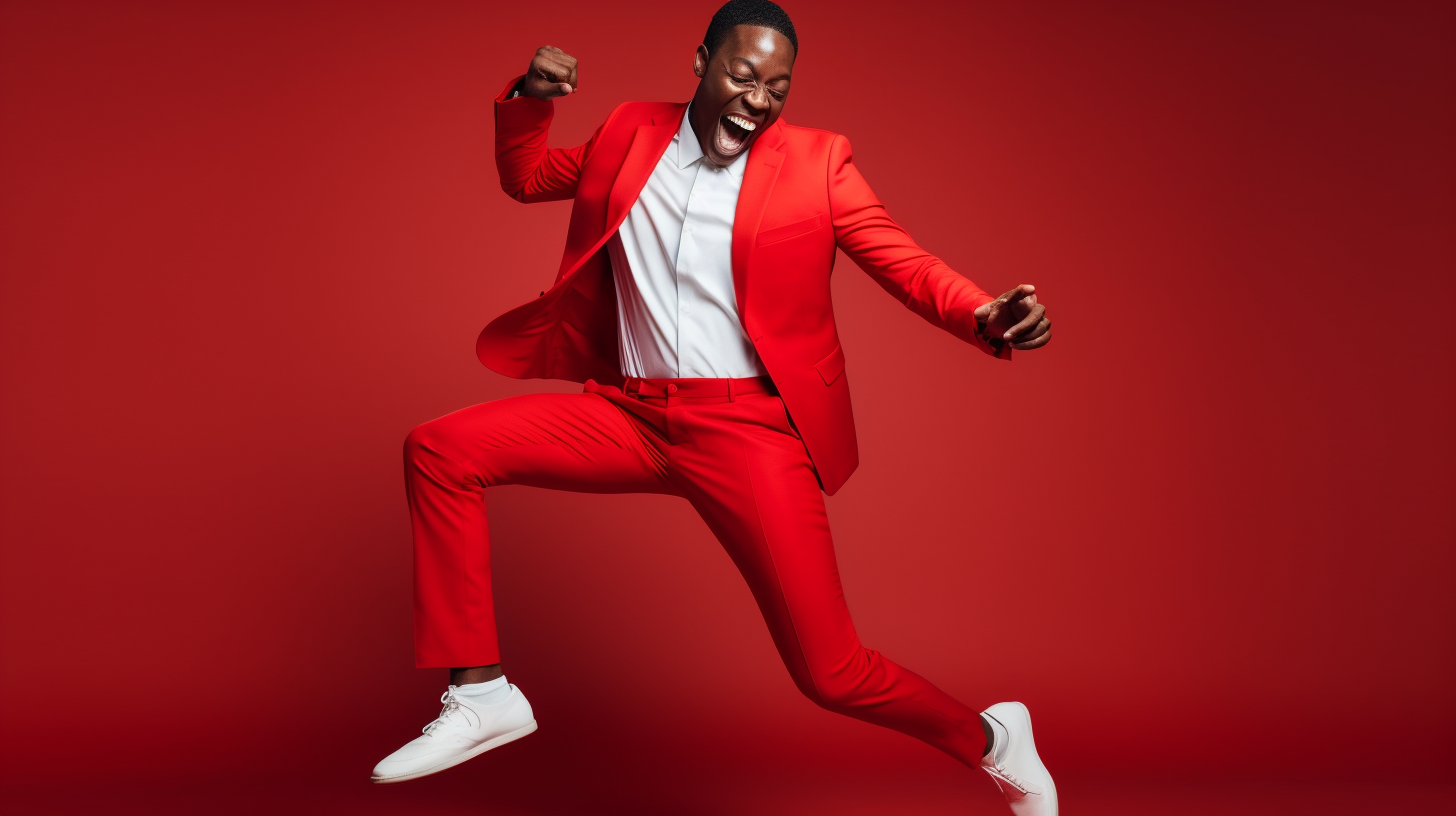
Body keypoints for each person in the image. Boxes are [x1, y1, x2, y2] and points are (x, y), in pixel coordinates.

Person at [371, 1, 1056, 812]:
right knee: (440, 450)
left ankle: (992, 740)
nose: (759, 99)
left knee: (830, 674)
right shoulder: (630, 131)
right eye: (742, 74)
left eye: (778, 85)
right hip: (630, 415)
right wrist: (529, 96)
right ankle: (483, 694)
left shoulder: (818, 163)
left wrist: (981, 313)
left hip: (748, 430)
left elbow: (902, 261)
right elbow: (526, 178)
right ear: (700, 62)